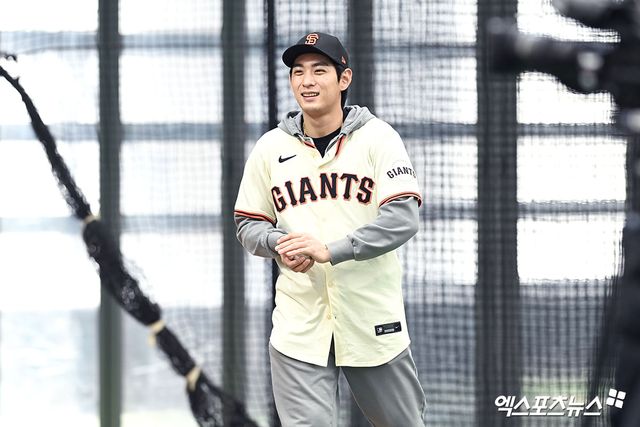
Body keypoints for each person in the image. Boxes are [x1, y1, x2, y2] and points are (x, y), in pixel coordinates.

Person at [234, 32, 426, 426]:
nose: (307, 81)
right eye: (298, 71)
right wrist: (278, 243)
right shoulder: (270, 148)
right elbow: (248, 223)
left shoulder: (378, 138)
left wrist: (331, 250)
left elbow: (402, 218)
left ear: (344, 78)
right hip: (299, 325)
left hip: (372, 320)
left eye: (319, 70)